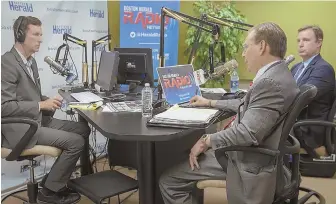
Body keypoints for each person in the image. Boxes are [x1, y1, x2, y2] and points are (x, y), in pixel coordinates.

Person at [159, 22, 300, 204]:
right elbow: (246, 104)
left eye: (246, 47)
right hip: (257, 154)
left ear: (262, 46)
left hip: (246, 160)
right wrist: (209, 102)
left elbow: (247, 133)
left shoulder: (269, 83)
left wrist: (206, 141)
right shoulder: (279, 73)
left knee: (169, 180)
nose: (243, 54)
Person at [1, 16, 91, 204]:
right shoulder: (7, 63)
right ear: (20, 35)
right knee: (75, 142)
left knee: (83, 129)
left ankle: (53, 180)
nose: (41, 39)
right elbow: (4, 107)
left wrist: (47, 101)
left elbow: (30, 97)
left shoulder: (31, 62)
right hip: (20, 128)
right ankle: (49, 192)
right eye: (36, 34)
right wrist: (40, 105)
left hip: (35, 120)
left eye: (41, 34)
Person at [291, 25, 335, 157]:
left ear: (319, 43)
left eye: (306, 40)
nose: (301, 44)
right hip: (294, 120)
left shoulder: (323, 69)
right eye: (298, 40)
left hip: (308, 128)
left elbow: (302, 97)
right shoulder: (296, 67)